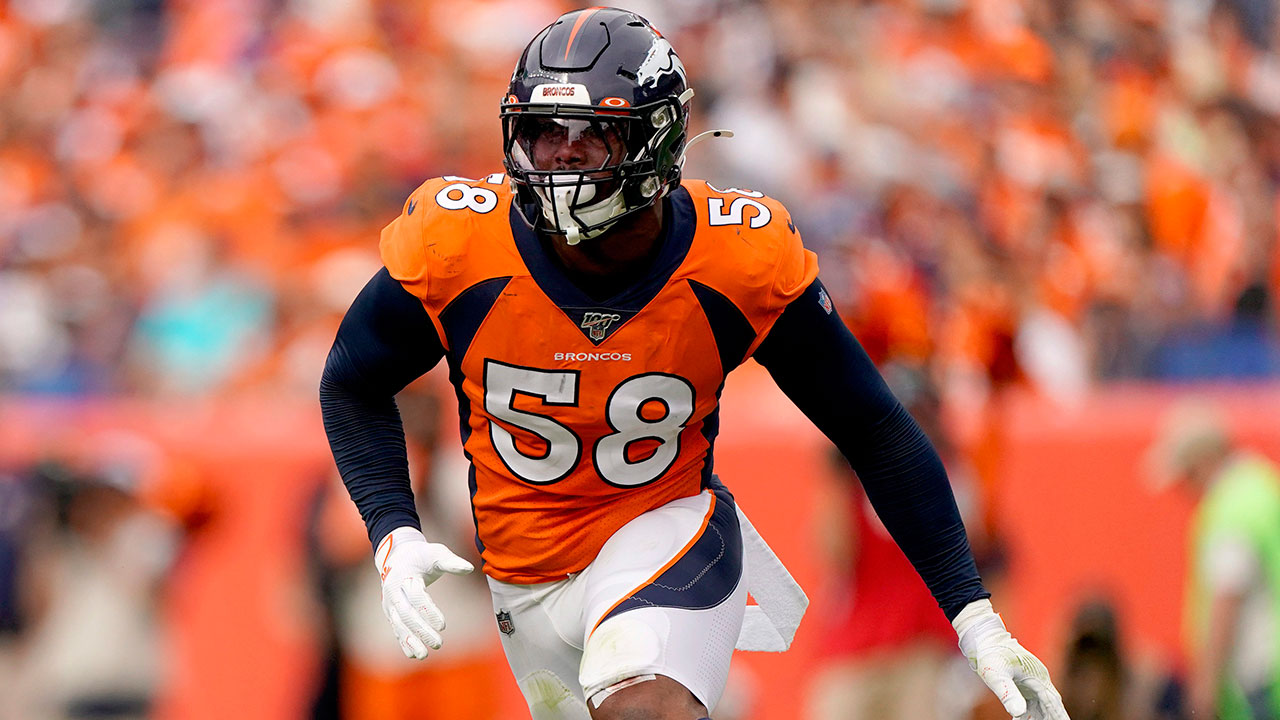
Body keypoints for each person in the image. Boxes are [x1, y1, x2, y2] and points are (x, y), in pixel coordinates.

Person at [320, 8, 1069, 720]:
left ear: (658, 140)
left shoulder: (735, 259)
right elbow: (352, 380)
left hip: (663, 529)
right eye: (544, 131)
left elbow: (872, 425)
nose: (561, 154)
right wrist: (393, 528)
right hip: (521, 570)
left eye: (593, 133)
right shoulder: (461, 242)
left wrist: (973, 615)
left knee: (644, 706)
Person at [1151, 402, 1280, 720]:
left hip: (1258, 679)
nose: (1185, 489)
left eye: (1187, 474)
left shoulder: (1229, 510)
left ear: (1205, 461)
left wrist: (1205, 686)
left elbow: (1227, 598)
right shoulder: (1259, 483)